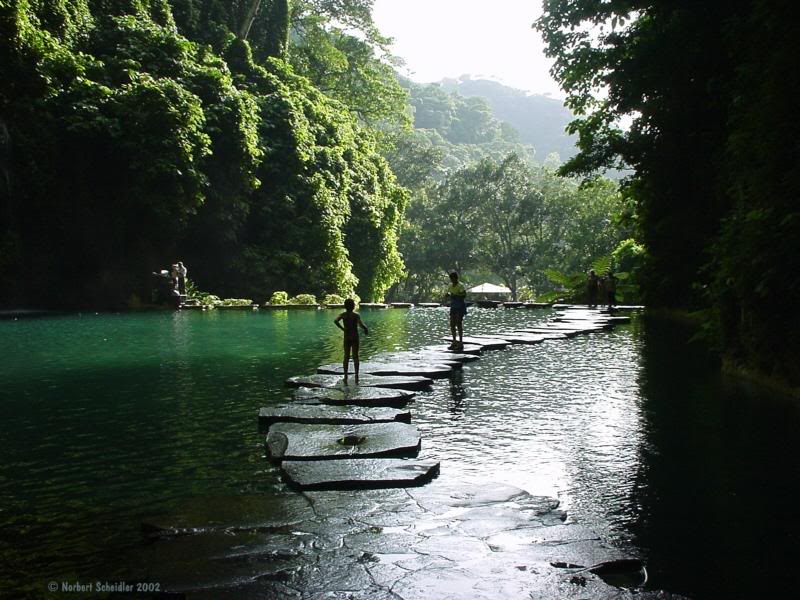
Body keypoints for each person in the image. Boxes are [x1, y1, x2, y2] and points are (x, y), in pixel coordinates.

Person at [334, 298, 369, 384]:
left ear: (345, 306)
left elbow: (335, 321)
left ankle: (345, 375)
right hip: (355, 337)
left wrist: (343, 329)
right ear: (353, 306)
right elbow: (361, 324)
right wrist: (365, 328)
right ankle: (356, 374)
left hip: (347, 337)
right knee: (355, 356)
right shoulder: (356, 315)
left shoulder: (343, 315)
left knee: (346, 356)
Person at [447, 272, 467, 350]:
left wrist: (456, 296)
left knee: (459, 323)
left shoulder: (460, 285)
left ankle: (461, 342)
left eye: (453, 278)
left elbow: (464, 295)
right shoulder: (450, 285)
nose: (452, 280)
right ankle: (454, 341)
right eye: (451, 279)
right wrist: (448, 295)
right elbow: (449, 293)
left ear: (456, 278)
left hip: (460, 306)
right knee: (452, 324)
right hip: (453, 306)